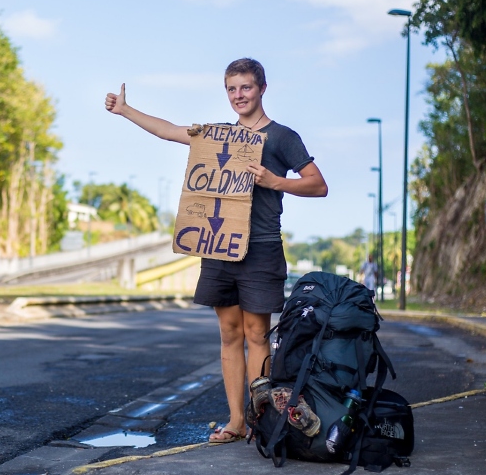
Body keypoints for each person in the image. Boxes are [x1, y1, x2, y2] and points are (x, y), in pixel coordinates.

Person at [105, 58, 328, 443]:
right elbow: (170, 132)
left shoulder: (282, 137)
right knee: (229, 333)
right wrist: (125, 110)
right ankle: (236, 421)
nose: (238, 96)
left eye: (245, 87)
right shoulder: (219, 134)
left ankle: (261, 422)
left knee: (256, 334)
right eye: (231, 89)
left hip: (260, 248)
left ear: (262, 89)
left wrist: (277, 181)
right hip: (219, 245)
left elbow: (318, 184)